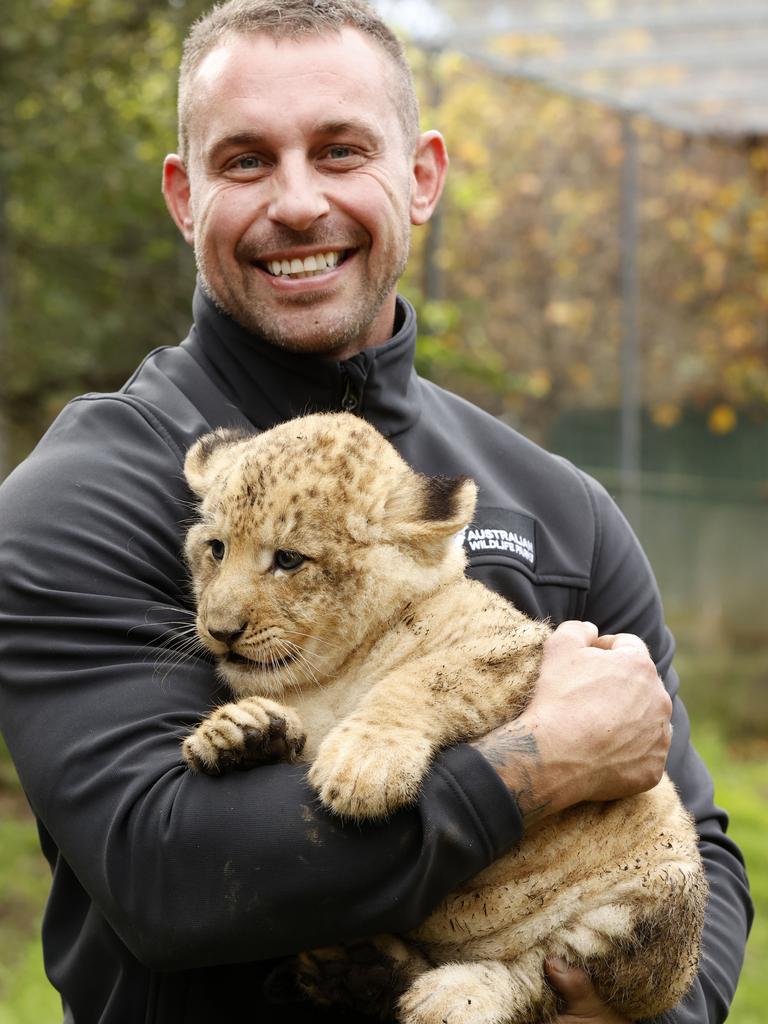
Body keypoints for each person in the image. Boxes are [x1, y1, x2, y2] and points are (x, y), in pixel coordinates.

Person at [0, 1, 751, 1022]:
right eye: (247, 160)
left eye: (342, 150)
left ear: (422, 174)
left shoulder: (557, 504)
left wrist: (633, 1010)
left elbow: (699, 850)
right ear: (185, 195)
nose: (299, 202)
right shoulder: (93, 492)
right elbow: (166, 875)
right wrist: (535, 764)